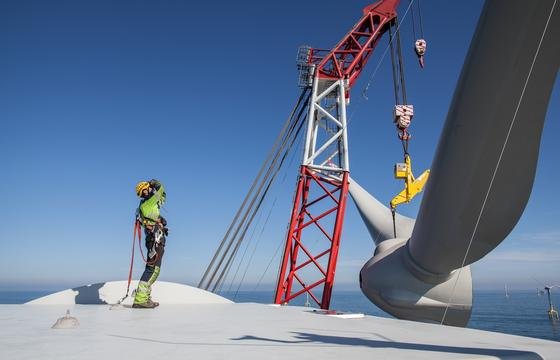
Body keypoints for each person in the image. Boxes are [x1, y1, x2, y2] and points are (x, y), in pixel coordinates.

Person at [133, 179, 168, 308]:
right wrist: (155, 183)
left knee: (154, 270)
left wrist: (160, 221)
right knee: (152, 270)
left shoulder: (146, 205)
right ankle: (140, 299)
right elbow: (161, 191)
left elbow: (162, 197)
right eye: (149, 188)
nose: (151, 190)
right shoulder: (148, 203)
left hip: (155, 237)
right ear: (145, 191)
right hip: (155, 238)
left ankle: (144, 297)